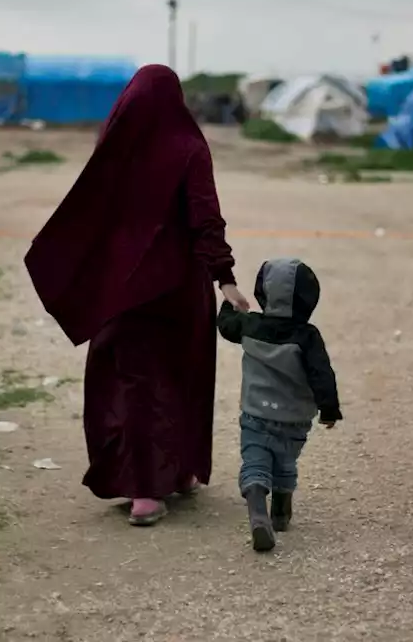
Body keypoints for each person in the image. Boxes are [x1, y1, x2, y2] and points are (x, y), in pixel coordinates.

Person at [25, 65, 250, 527]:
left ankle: (144, 490)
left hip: (119, 287)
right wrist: (225, 279)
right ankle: (177, 471)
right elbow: (205, 216)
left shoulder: (113, 145)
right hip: (178, 290)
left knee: (129, 385)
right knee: (178, 378)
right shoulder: (188, 145)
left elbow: (88, 214)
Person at [216, 258, 343, 552]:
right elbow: (321, 374)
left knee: (255, 461)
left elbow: (225, 326)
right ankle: (281, 511)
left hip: (255, 413)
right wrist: (329, 409)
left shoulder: (250, 325)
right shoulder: (307, 337)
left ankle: (257, 509)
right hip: (294, 420)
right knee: (285, 462)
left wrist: (229, 302)